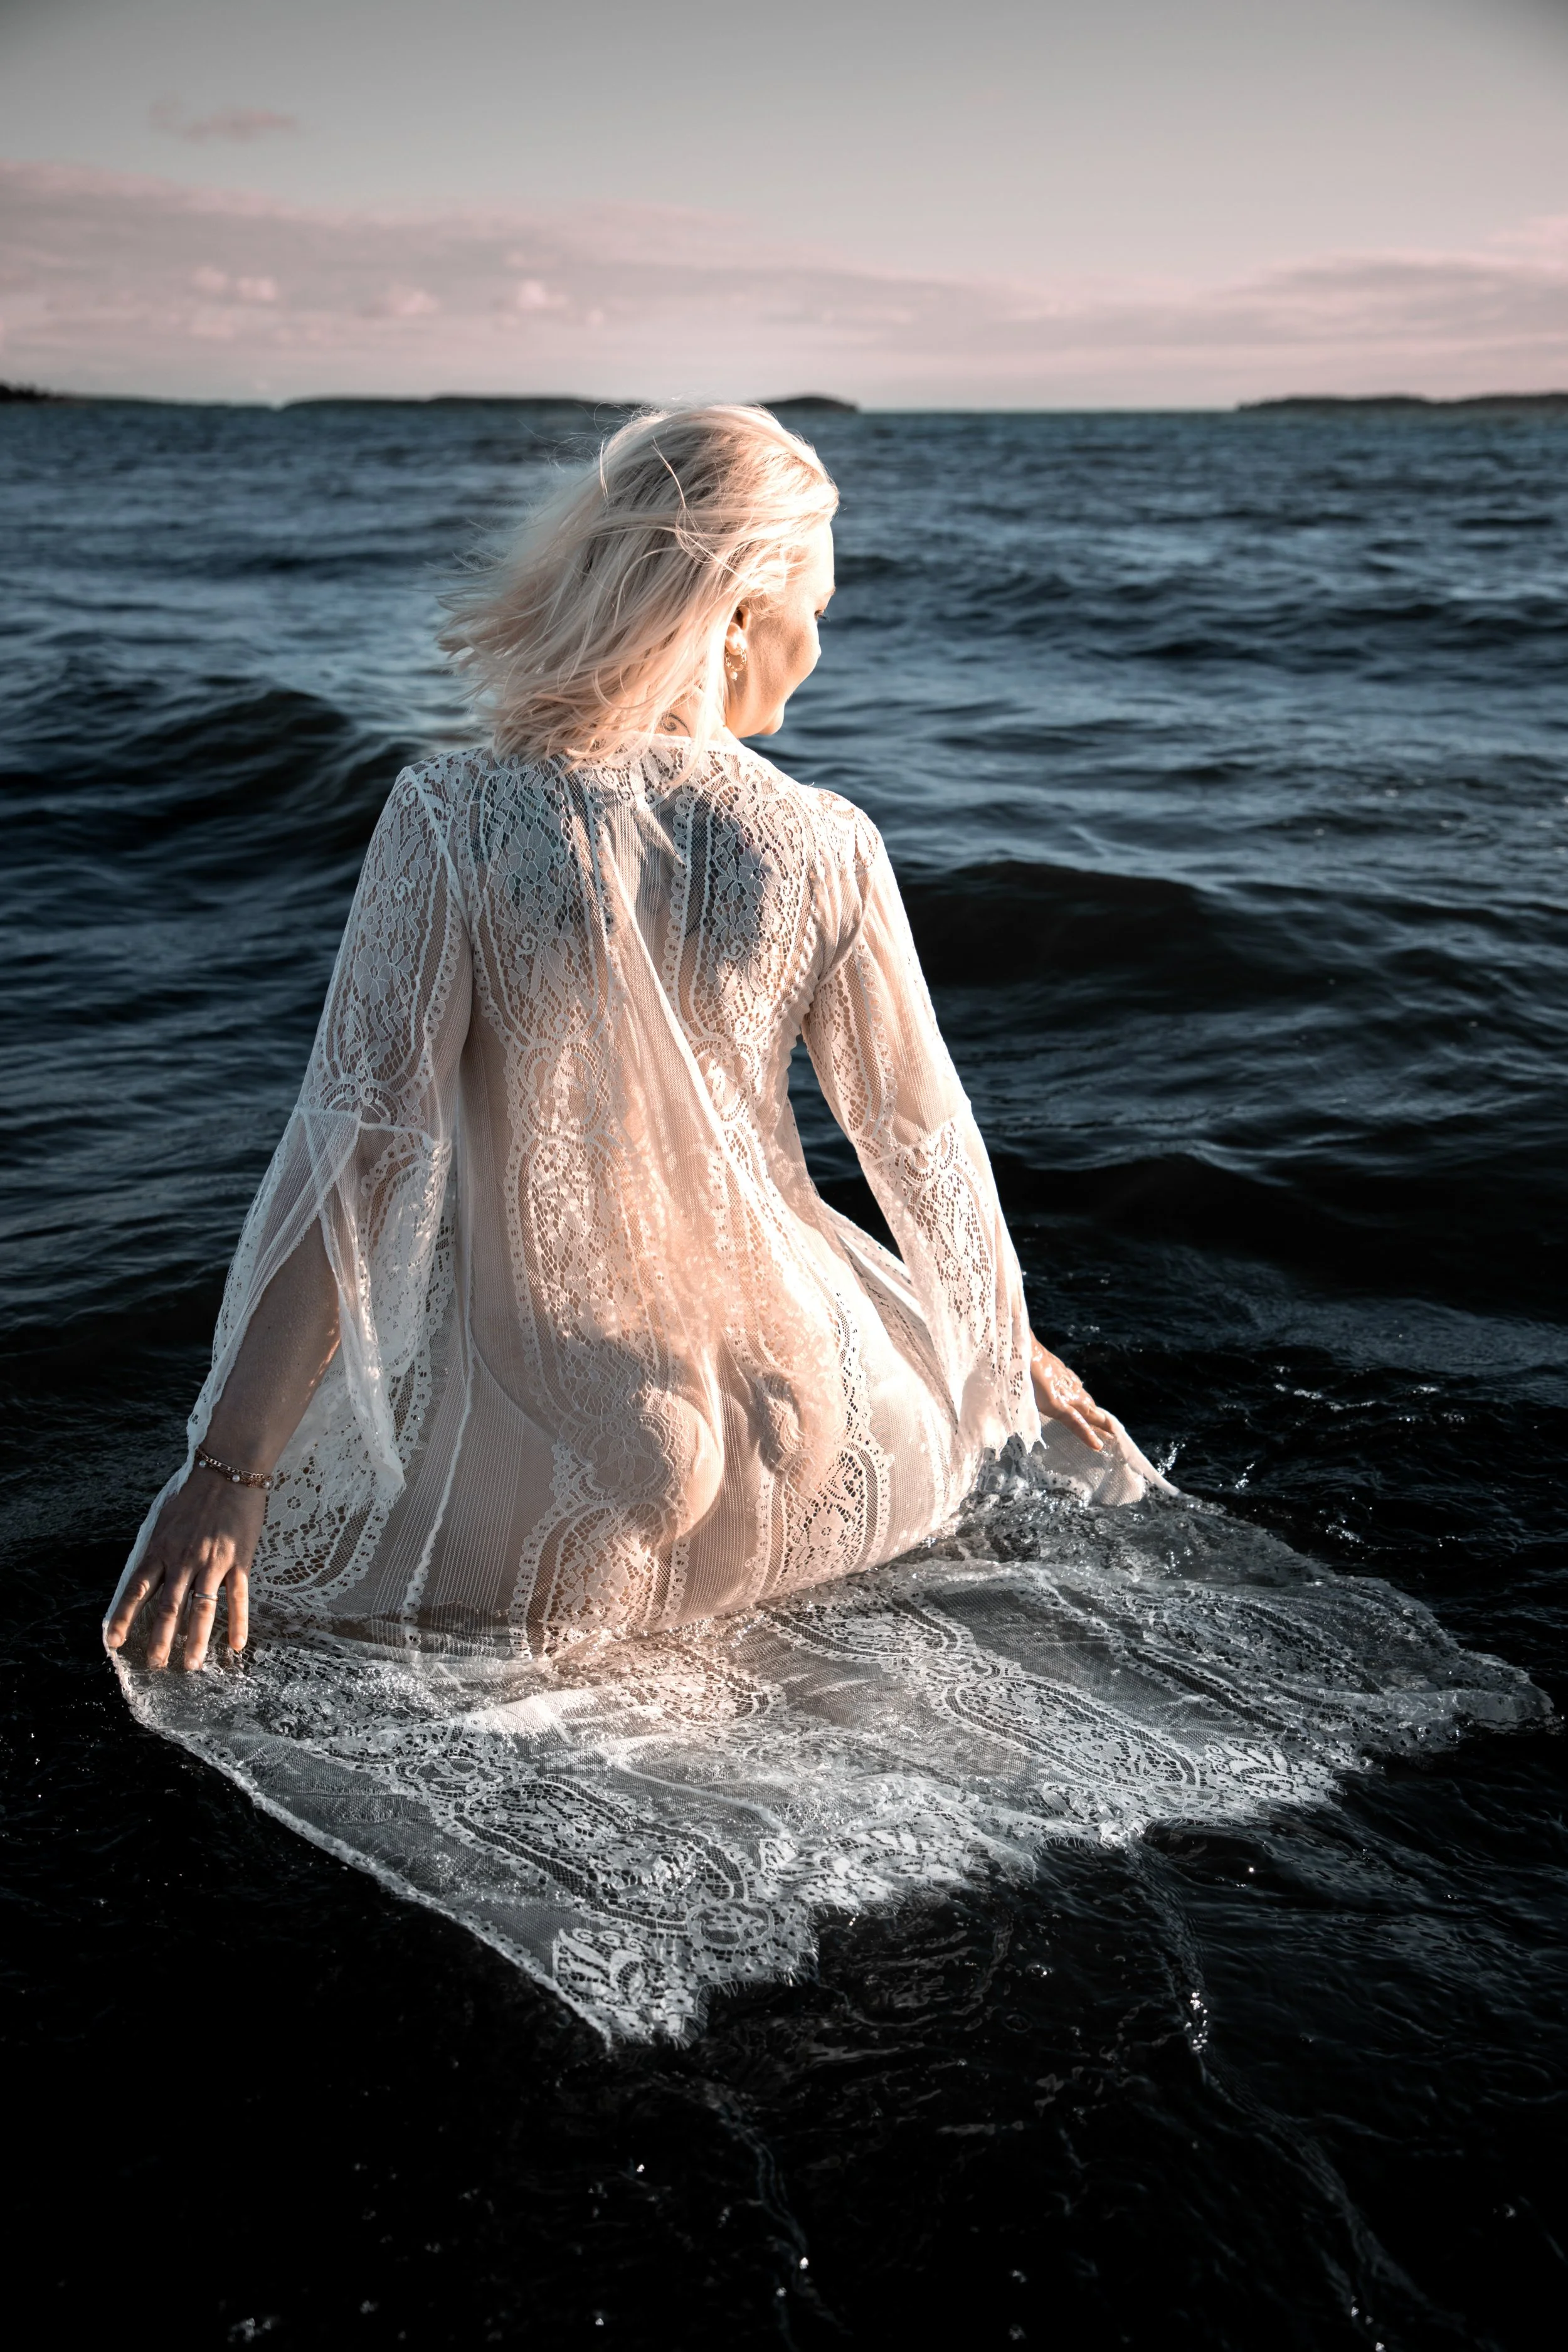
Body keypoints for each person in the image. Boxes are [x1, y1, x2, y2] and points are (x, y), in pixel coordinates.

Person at [106, 403, 1154, 1678]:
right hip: (830, 1436)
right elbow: (920, 1148)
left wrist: (228, 1474)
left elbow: (360, 1153)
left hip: (584, 1461)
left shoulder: (454, 814)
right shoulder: (830, 841)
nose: (821, 644)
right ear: (736, 615)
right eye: (815, 608)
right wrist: (1001, 1350)